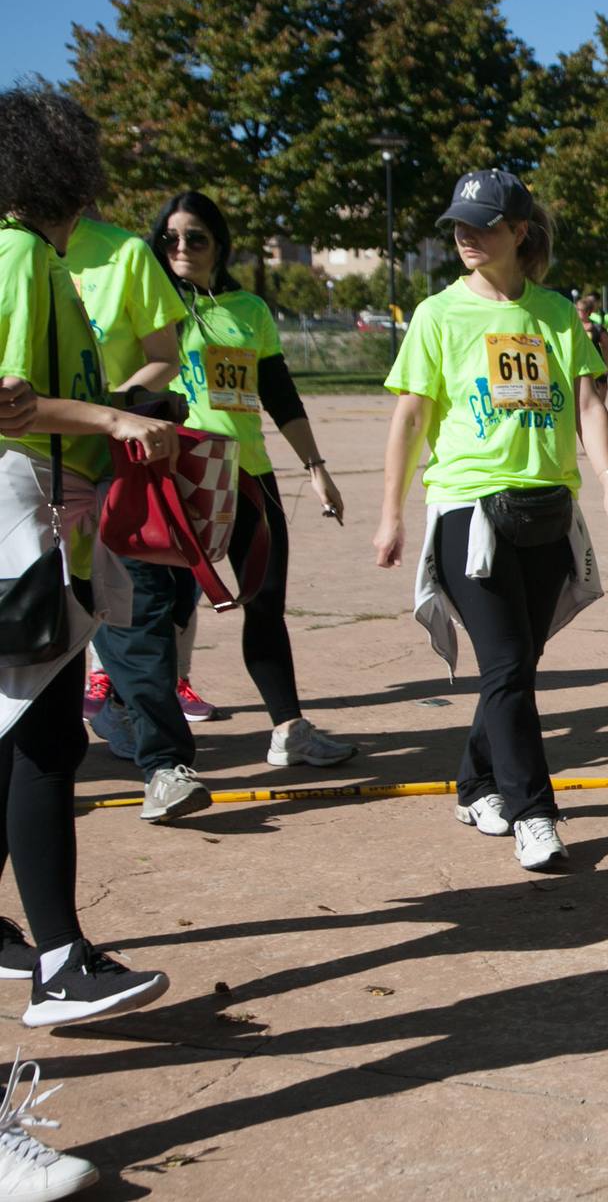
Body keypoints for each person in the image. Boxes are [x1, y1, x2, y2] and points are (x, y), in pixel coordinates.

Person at [374, 169, 608, 872]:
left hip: (548, 509)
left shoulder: (554, 313)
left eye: (482, 224)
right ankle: (534, 812)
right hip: (468, 510)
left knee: (512, 666)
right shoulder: (437, 315)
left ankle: (475, 784)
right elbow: (409, 417)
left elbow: (586, 404)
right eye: (458, 223)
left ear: (519, 231)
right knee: (510, 666)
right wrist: (390, 514)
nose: (465, 235)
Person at [0, 86, 174, 1079]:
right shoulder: (24, 256)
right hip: (20, 522)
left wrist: (106, 418)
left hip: (45, 517)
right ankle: (62, 962)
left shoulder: (45, 261)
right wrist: (111, 421)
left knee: (26, 734)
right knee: (45, 739)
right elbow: (12, 405)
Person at [153, 191, 357, 771]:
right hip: (174, 473)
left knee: (265, 604)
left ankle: (289, 729)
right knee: (159, 609)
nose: (182, 247)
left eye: (196, 237)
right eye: (170, 238)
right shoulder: (150, 301)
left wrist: (316, 469)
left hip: (249, 477)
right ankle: (160, 749)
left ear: (220, 245)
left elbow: (280, 397)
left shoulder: (250, 311)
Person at [63, 212, 194, 726]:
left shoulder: (125, 253)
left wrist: (110, 412)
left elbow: (165, 357)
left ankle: (159, 754)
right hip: (26, 465)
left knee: (136, 612)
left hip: (112, 468)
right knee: (36, 615)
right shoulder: (14, 251)